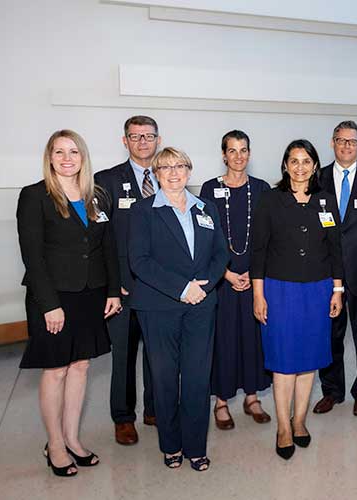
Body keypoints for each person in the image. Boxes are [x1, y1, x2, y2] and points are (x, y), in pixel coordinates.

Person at [17, 129, 122, 476]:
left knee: (81, 367)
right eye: (59, 152)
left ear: (82, 157)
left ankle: (73, 439)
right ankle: (55, 445)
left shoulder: (97, 196)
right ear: (49, 157)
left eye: (73, 152)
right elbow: (32, 257)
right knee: (57, 369)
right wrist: (49, 304)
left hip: (91, 294)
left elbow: (107, 248)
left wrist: (112, 291)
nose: (66, 158)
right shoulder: (35, 196)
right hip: (54, 297)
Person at [128, 147, 228, 472]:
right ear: (156, 173)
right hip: (159, 307)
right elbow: (140, 262)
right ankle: (171, 445)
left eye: (180, 166)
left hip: (201, 305)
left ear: (189, 170)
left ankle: (196, 447)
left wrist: (203, 286)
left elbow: (220, 254)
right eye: (166, 167)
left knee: (198, 378)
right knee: (165, 377)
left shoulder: (206, 207)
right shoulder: (143, 211)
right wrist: (182, 288)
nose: (173, 172)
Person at [251, 139, 344, 460]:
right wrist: (258, 294)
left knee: (309, 362)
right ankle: (283, 427)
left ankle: (300, 420)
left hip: (317, 291)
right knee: (284, 362)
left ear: (315, 166)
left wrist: (338, 290)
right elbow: (258, 251)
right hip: (280, 291)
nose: (300, 167)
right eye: (294, 161)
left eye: (306, 161)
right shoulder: (270, 200)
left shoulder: (326, 201)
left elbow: (336, 250)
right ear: (285, 165)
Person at [313, 121, 357, 417]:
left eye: (352, 142)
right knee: (329, 336)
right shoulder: (316, 178)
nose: (347, 146)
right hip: (326, 274)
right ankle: (332, 390)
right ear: (332, 143)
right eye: (341, 141)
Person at [200, 130, 272, 430]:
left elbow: (269, 237)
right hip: (222, 276)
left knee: (254, 337)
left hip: (255, 276)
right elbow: (204, 239)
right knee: (224, 338)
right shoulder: (209, 189)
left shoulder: (262, 189)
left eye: (244, 150)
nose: (238, 156)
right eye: (232, 150)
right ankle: (221, 400)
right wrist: (226, 274)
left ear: (250, 154)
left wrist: (254, 274)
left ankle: (252, 396)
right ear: (223, 155)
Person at [95, 115, 159, 445]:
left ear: (158, 140)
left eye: (148, 136)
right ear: (125, 141)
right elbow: (100, 238)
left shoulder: (169, 177)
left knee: (157, 352)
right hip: (122, 287)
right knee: (123, 354)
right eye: (136, 137)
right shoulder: (105, 181)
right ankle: (123, 417)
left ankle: (153, 409)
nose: (143, 142)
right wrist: (112, 283)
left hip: (160, 288)